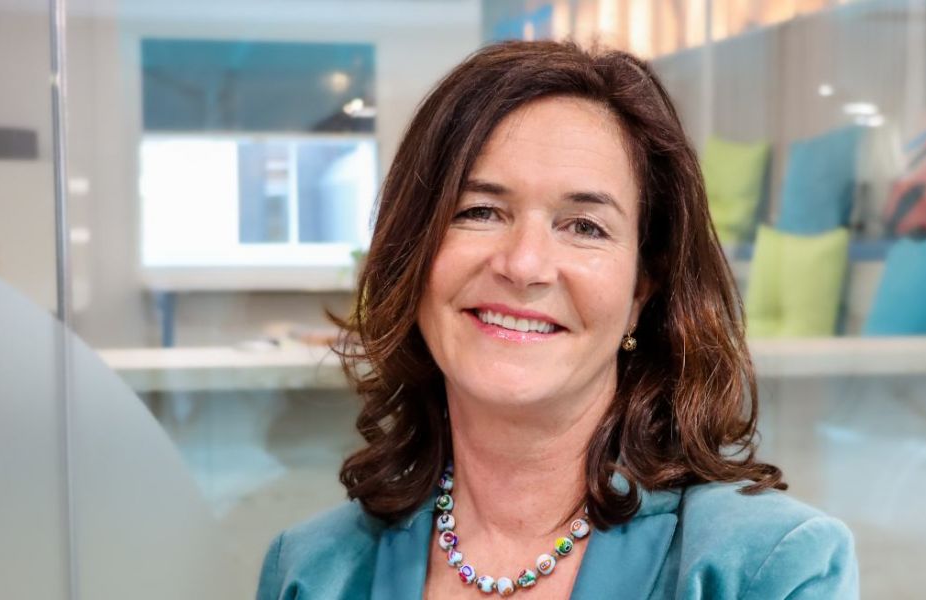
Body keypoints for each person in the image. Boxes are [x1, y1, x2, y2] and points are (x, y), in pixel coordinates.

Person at [257, 40, 858, 599]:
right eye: (481, 211)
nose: (523, 265)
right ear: (414, 251)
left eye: (585, 226)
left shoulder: (769, 569)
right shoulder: (311, 571)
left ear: (641, 289)